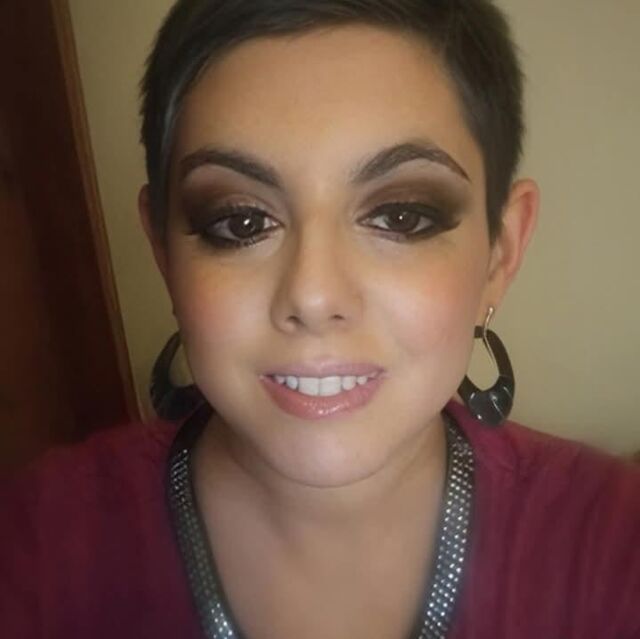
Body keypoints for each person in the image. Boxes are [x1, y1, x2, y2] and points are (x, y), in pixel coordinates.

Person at [2, 1, 639, 638]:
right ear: (164, 253)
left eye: (401, 216)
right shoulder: (36, 546)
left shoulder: (613, 542)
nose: (312, 295)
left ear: (500, 251)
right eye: (240, 222)